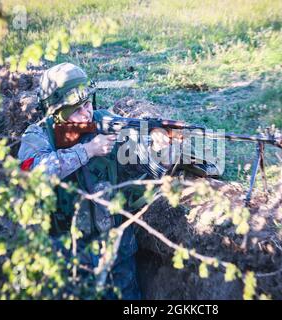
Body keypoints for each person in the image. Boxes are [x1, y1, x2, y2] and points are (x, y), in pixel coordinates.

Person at [17, 62, 169, 299]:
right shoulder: (38, 136)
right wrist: (87, 150)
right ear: (55, 113)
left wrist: (158, 143)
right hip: (68, 257)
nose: (87, 112)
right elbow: (32, 175)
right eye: (76, 109)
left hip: (117, 251)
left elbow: (139, 147)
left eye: (88, 104)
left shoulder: (105, 122)